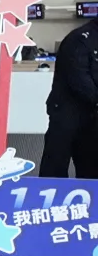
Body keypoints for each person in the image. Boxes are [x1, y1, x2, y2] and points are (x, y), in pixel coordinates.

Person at [42, 15, 98, 178]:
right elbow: (79, 80)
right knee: (55, 167)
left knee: (90, 170)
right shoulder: (80, 39)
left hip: (92, 116)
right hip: (67, 113)